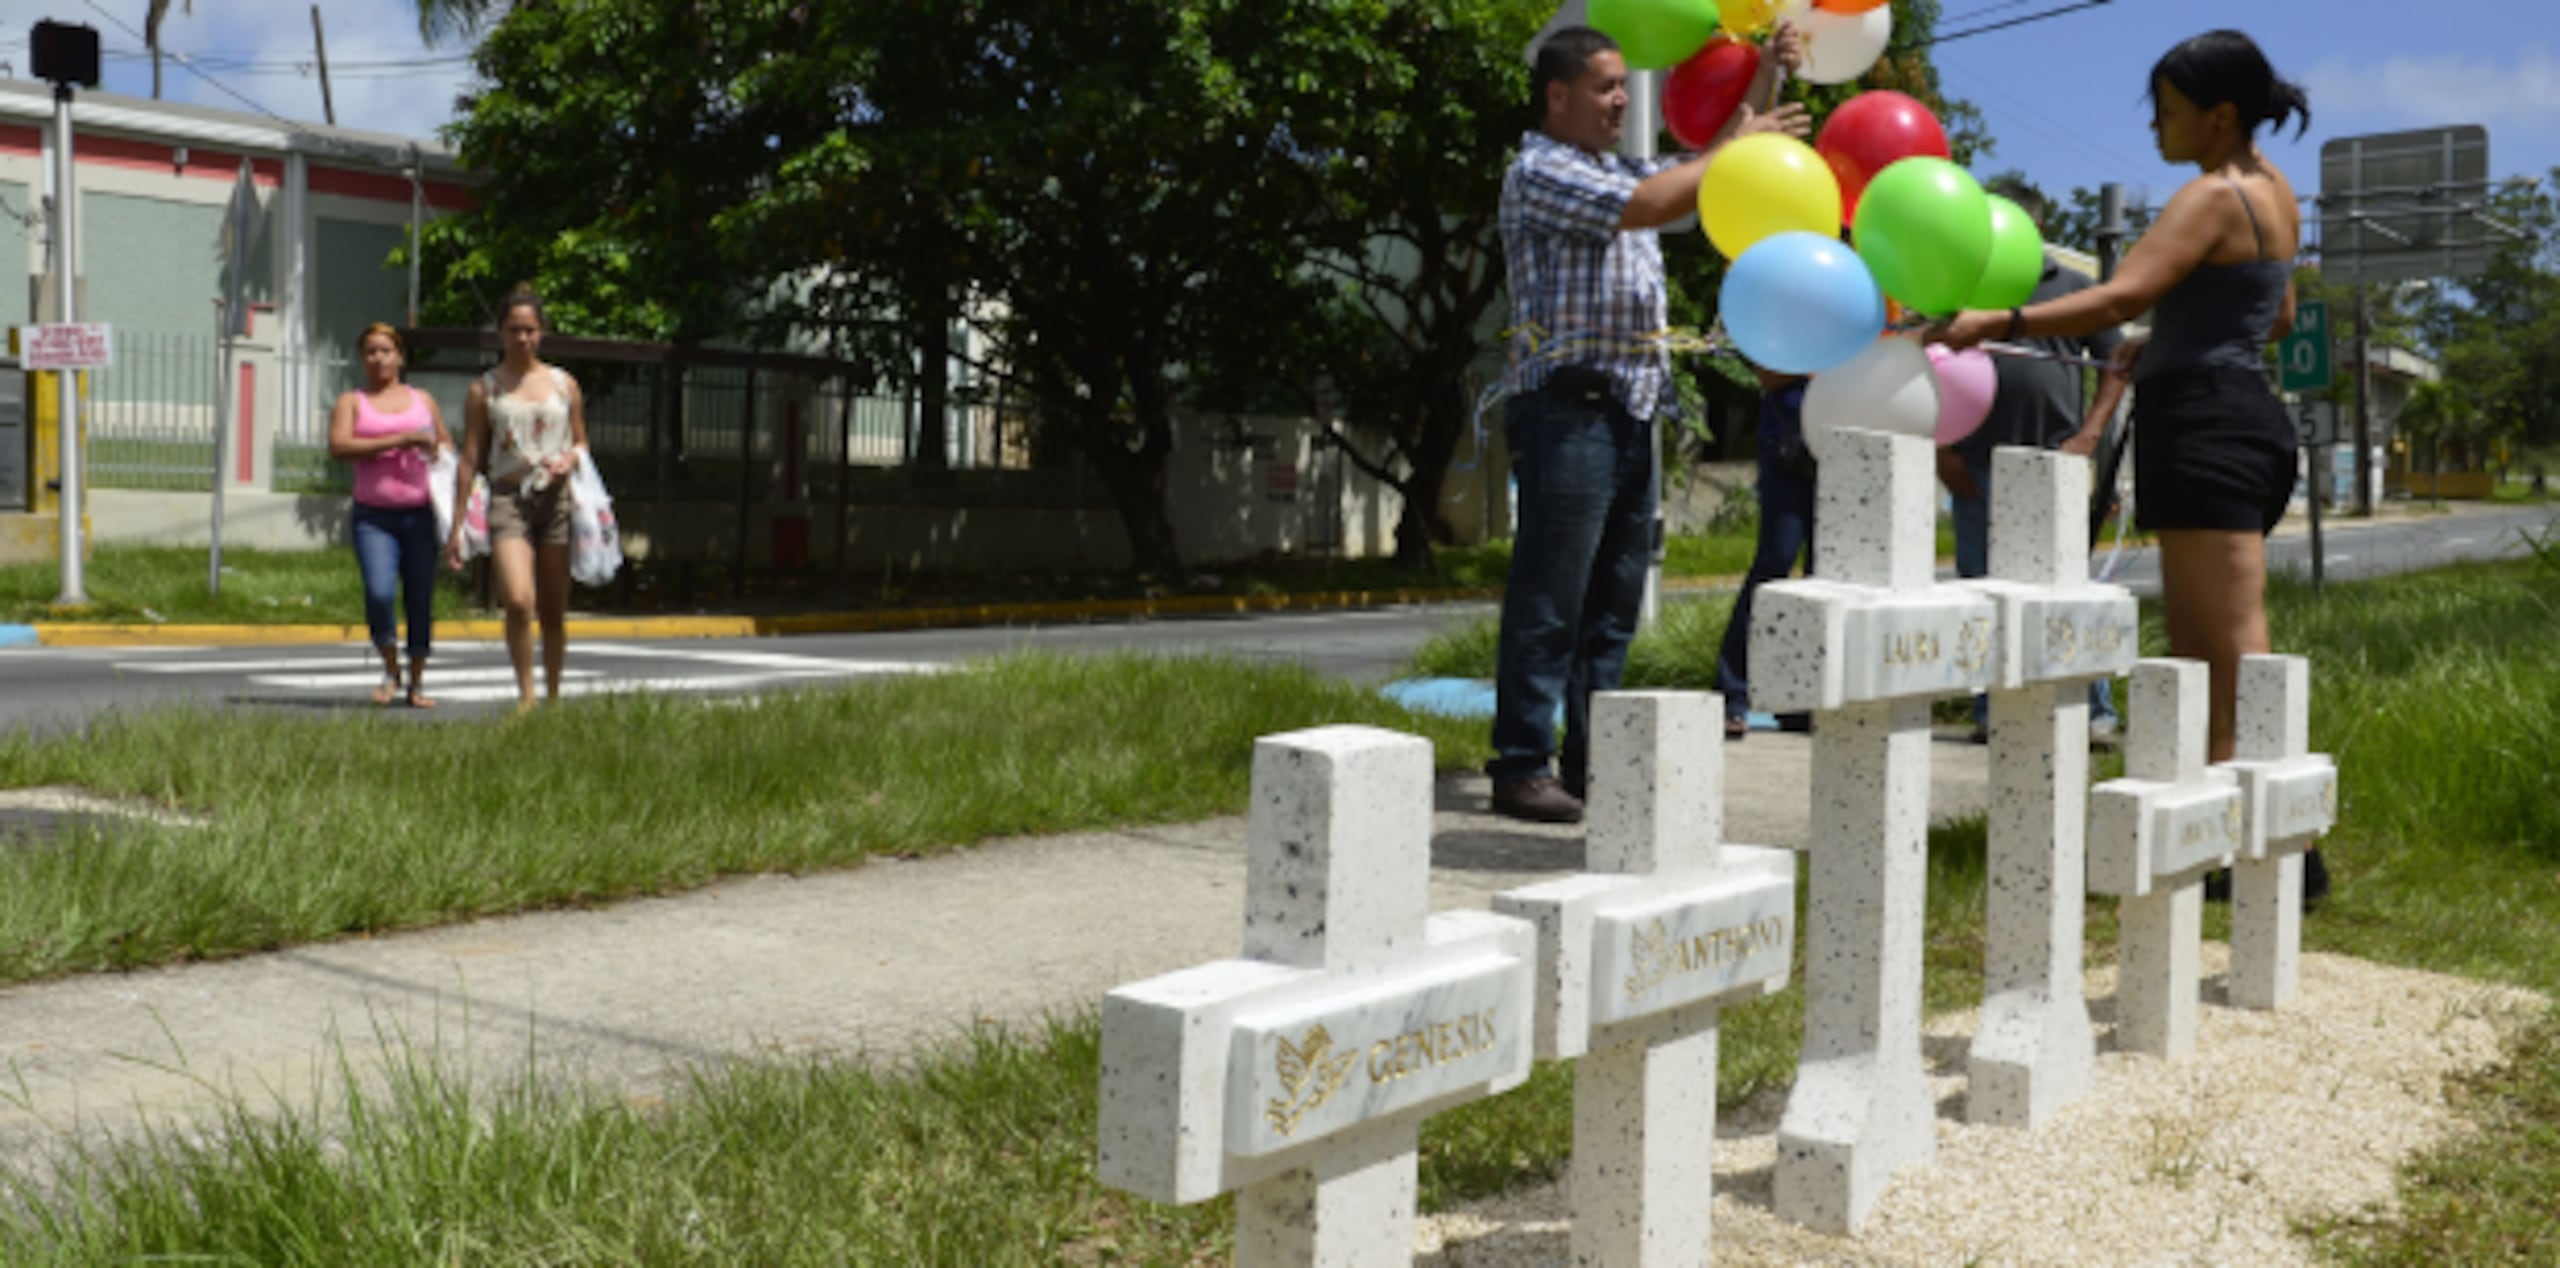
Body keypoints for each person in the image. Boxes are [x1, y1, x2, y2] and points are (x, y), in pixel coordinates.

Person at [1935, 30, 2323, 898]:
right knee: (2197, 648)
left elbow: (2119, 293)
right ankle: (2226, 836)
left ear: (2220, 118)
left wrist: (1995, 322)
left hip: (2207, 428)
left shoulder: (2210, 195)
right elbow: (2280, 317)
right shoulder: (2277, 193)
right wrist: (2171, 340)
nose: (2154, 127)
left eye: (2168, 111)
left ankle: (2288, 850)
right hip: (2238, 417)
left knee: (2231, 644)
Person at [1488, 24, 1810, 823]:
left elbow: (1713, 181)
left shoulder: (1617, 163)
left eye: (1623, 85)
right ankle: (1520, 763)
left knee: (1611, 605)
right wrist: (1737, 144)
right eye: (1605, 87)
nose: (1622, 99)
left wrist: (1765, 74)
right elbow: (1656, 200)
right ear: (1557, 95)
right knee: (1552, 596)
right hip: (1568, 408)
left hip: (1630, 412)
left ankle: (1589, 765)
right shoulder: (1542, 171)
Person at [1939, 180, 2125, 745]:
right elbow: (1926, 366)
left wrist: (2090, 436)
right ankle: (1991, 712)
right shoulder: (1960, 287)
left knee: (2064, 586)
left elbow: (2117, 362)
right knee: (1980, 591)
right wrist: (1941, 451)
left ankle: (2091, 712)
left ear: (2036, 229)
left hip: (2053, 462)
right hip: (1975, 466)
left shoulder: (2074, 289)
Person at [446, 285, 591, 710]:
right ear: (500, 332)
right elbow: (470, 457)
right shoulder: (485, 389)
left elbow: (582, 442)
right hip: (508, 497)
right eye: (514, 329)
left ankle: (553, 696)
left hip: (557, 497)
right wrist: (456, 527)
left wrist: (570, 459)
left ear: (542, 332)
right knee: (517, 599)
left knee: (552, 607)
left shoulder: (564, 384)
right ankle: (526, 697)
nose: (522, 338)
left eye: (530, 329)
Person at [330, 322, 455, 708]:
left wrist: (435, 448)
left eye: (386, 350)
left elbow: (445, 441)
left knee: (420, 597)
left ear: (400, 356)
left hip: (420, 515)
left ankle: (416, 682)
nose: (379, 358)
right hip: (374, 516)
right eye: (371, 351)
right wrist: (400, 439)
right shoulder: (352, 402)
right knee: (380, 592)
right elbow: (339, 446)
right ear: (362, 358)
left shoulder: (423, 400)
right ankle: (390, 667)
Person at [1712, 366, 1815, 741]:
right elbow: (1766, 374)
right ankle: (1730, 694)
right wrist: (1820, 366)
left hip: (1844, 443)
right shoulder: (1789, 317)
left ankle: (1801, 698)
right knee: (1774, 562)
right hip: (1789, 444)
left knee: (1823, 580)